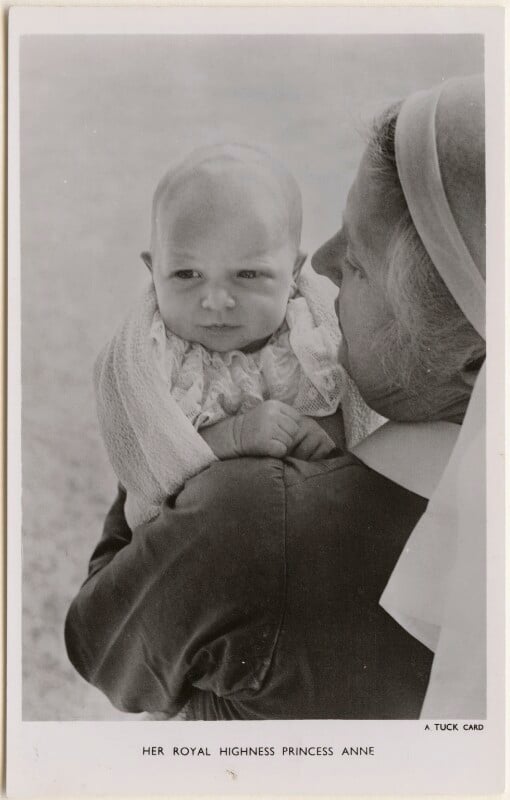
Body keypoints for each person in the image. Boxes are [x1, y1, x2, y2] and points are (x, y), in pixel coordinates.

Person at [65, 74, 486, 719]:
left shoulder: (246, 520)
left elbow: (100, 647)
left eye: (359, 262)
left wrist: (140, 495)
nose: (317, 265)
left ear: (472, 356)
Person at [94, 143, 377, 530]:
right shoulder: (154, 355)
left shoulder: (312, 330)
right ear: (153, 270)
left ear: (293, 272)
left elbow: (359, 405)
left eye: (247, 275)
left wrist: (325, 435)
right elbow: (149, 462)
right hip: (193, 539)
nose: (216, 301)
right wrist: (232, 435)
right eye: (186, 274)